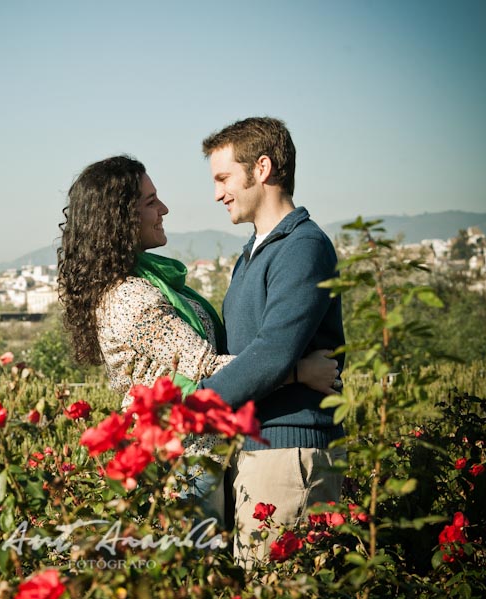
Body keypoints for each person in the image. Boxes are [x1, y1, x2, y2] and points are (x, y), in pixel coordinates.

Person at [56, 155, 339, 525]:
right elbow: (205, 367)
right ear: (119, 218)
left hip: (196, 455)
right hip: (181, 462)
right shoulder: (132, 298)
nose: (164, 209)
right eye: (150, 202)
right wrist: (300, 371)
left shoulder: (148, 284)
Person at [195, 117, 346, 564]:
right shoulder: (254, 253)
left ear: (262, 169)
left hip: (289, 449)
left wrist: (194, 406)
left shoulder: (302, 246)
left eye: (224, 178)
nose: (218, 193)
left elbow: (271, 352)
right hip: (259, 449)